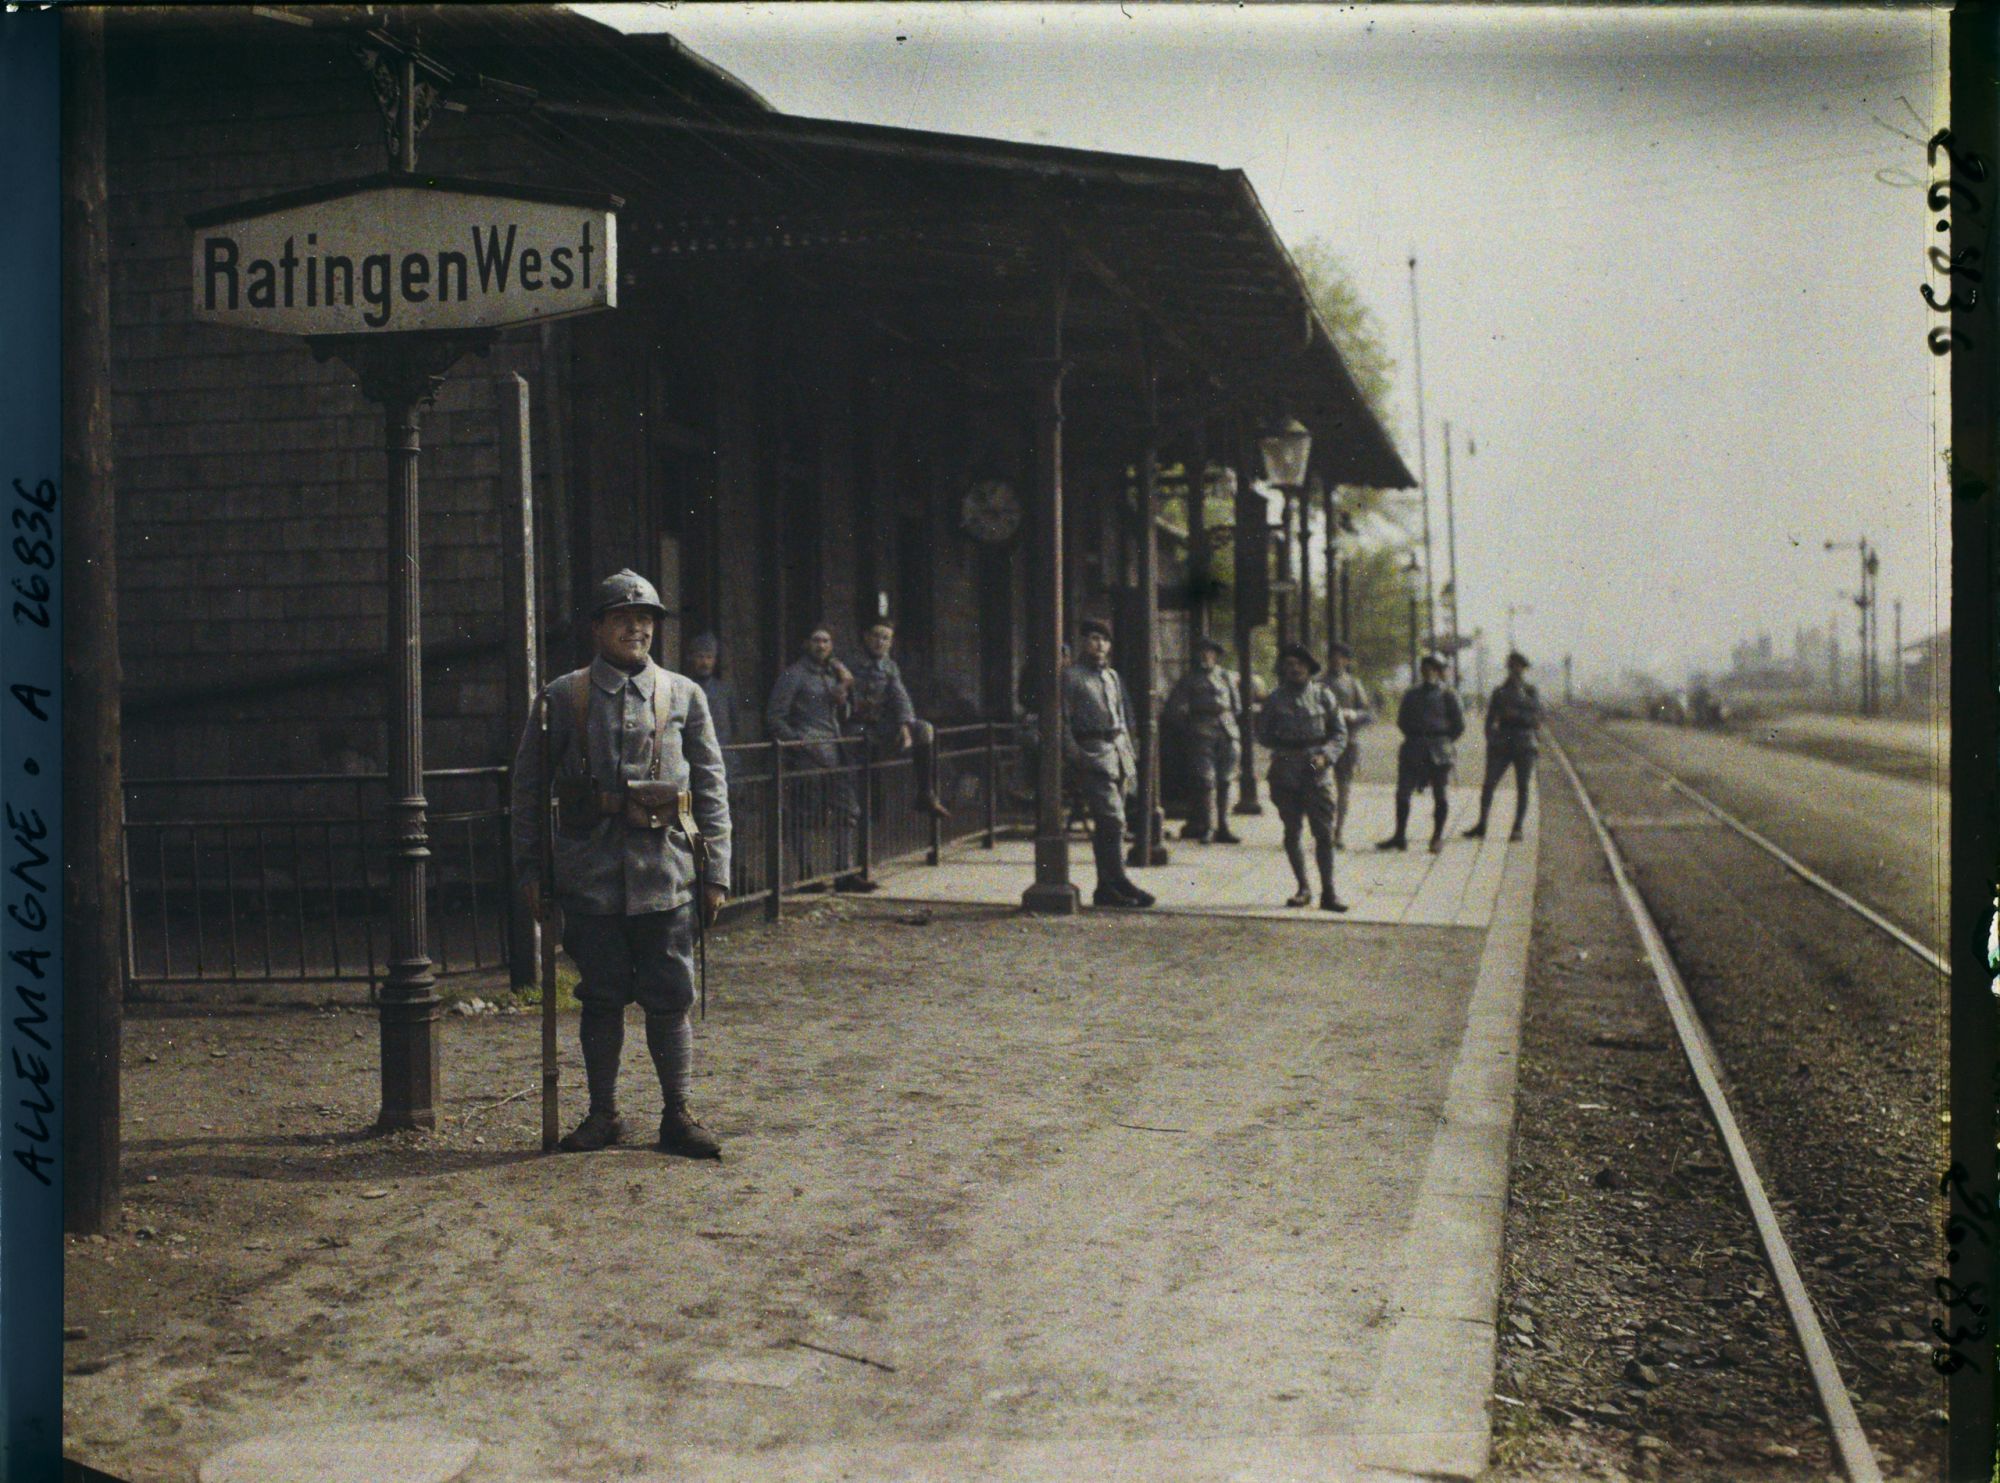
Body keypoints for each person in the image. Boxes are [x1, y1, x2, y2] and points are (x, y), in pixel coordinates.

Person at [511, 569, 731, 1159]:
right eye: (623, 618)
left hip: (667, 874)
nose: (636, 628)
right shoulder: (563, 697)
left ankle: (677, 1115)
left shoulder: (685, 695)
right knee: (601, 996)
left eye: (647, 619)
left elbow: (710, 788)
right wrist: (531, 872)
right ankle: (604, 1113)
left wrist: (716, 872)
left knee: (670, 995)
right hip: (591, 878)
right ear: (597, 628)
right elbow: (528, 792)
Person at [767, 626, 872, 891]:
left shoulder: (833, 675)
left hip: (835, 753)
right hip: (807, 758)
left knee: (847, 812)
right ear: (807, 644)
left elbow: (844, 715)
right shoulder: (794, 675)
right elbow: (775, 717)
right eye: (816, 640)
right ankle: (806, 876)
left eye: (826, 641)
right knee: (804, 816)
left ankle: (844, 873)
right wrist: (798, 742)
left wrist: (845, 688)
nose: (821, 646)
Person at [1063, 618, 1155, 909]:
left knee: (1114, 822)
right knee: (1111, 819)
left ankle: (1111, 884)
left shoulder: (1112, 676)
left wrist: (1130, 752)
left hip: (1117, 753)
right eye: (1093, 638)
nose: (1099, 644)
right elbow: (1062, 720)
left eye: (1104, 639)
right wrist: (1074, 754)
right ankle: (1114, 881)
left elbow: (1122, 717)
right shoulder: (1072, 677)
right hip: (1092, 752)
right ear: (1083, 642)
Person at [1257, 642, 1349, 911]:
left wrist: (1326, 755)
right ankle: (1303, 887)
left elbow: (1339, 732)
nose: (1294, 669)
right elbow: (1262, 732)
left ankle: (1329, 892)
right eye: (1288, 665)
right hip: (1285, 770)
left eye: (1299, 664)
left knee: (1323, 832)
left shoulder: (1323, 696)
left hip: (1315, 768)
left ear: (1309, 668)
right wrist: (1285, 746)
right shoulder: (1275, 699)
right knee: (1292, 830)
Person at [848, 619, 951, 820]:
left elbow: (900, 696)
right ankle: (852, 810)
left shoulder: (890, 666)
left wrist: (905, 725)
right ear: (866, 637)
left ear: (891, 643)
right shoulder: (850, 662)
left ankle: (926, 794)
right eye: (876, 636)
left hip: (880, 726)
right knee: (851, 755)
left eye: (885, 638)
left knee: (924, 729)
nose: (880, 642)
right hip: (854, 724)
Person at [1377, 653, 1465, 855]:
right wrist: (1416, 736)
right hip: (1413, 748)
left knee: (1440, 795)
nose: (1428, 673)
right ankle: (1400, 836)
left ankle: (1436, 837)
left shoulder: (1448, 695)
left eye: (1432, 669)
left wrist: (1443, 741)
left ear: (1439, 671)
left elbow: (1459, 726)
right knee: (1403, 793)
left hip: (1439, 750)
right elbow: (1402, 721)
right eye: (1424, 669)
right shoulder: (1411, 694)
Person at [1164, 635, 1243, 844]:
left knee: (1226, 780)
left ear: (1216, 656)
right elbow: (1174, 709)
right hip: (1200, 733)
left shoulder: (1225, 677)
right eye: (1202, 651)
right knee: (1206, 781)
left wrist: (1229, 723)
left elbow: (1236, 706)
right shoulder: (1189, 680)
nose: (1206, 656)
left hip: (1227, 732)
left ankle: (1224, 826)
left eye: (1210, 652)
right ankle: (1208, 826)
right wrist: (1190, 728)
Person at [1466, 650, 1542, 842]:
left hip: (1525, 742)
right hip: (1502, 742)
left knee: (1523, 786)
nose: (1515, 670)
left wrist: (1515, 715)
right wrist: (1491, 738)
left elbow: (1538, 718)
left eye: (1519, 667)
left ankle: (1517, 827)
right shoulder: (1499, 692)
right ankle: (1482, 824)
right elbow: (1490, 719)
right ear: (1508, 668)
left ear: (1524, 669)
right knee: (1489, 784)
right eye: (1512, 666)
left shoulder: (1531, 691)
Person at [1322, 641, 1374, 850]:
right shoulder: (1317, 683)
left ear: (1347, 661)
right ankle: (1323, 830)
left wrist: (1354, 714)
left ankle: (1338, 832)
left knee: (1343, 789)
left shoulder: (1353, 684)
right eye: (1333, 656)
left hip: (1347, 742)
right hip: (1322, 742)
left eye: (1341, 657)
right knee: (1321, 789)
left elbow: (1368, 713)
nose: (1337, 660)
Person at [684, 633, 737, 749]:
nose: (705, 663)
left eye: (709, 657)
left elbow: (734, 727)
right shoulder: (683, 689)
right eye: (700, 657)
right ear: (691, 658)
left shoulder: (725, 690)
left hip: (724, 753)